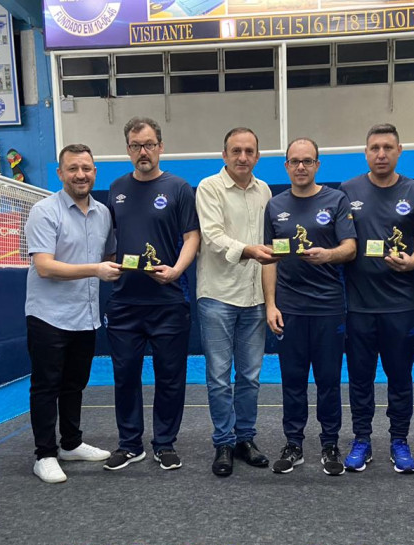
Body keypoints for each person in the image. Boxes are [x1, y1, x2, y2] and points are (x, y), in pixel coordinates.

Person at [103, 117, 200, 471]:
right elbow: (110, 239)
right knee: (125, 375)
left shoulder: (179, 188)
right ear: (127, 149)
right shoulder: (116, 188)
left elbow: (192, 237)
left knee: (170, 376)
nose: (142, 152)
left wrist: (176, 270)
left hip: (168, 300)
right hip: (125, 301)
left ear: (160, 146)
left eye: (148, 144)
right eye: (135, 146)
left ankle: (165, 443)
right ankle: (130, 444)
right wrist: (109, 264)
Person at [24, 144, 121, 483]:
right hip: (48, 316)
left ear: (95, 172)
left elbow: (111, 256)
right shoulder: (44, 211)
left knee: (74, 384)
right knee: (46, 386)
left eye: (86, 169)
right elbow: (45, 266)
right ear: (60, 173)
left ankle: (71, 443)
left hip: (85, 315)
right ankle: (44, 455)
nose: (81, 175)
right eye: (73, 169)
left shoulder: (103, 213)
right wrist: (95, 269)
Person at [263, 138, 357, 476]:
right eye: (294, 161)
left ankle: (330, 443)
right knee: (293, 380)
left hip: (328, 307)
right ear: (286, 166)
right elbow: (270, 259)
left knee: (329, 380)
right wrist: (271, 304)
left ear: (317, 165)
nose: (301, 166)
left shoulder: (336, 200)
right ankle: (293, 444)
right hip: (289, 309)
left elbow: (350, 248)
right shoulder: (275, 206)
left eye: (307, 161)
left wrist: (328, 255)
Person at [340, 123, 414, 474]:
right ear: (366, 153)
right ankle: (361, 439)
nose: (381, 154)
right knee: (360, 379)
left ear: (399, 151)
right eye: (375, 148)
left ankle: (400, 441)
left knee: (400, 378)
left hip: (401, 306)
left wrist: (413, 262)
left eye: (388, 148)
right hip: (359, 306)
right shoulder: (348, 190)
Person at [195, 127, 276, 477]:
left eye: (249, 151)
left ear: (257, 155)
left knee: (250, 376)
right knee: (218, 376)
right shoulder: (208, 187)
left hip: (255, 297)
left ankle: (245, 439)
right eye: (236, 151)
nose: (243, 157)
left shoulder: (265, 191)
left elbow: (270, 246)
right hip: (217, 296)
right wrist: (249, 250)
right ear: (224, 154)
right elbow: (213, 237)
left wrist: (270, 298)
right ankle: (223, 442)